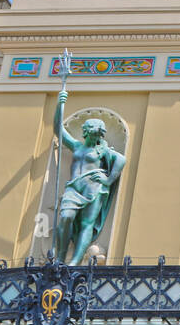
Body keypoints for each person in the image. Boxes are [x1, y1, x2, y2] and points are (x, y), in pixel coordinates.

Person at [53, 90, 126, 264]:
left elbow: (121, 159)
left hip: (94, 188)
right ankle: (61, 257)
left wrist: (108, 180)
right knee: (66, 217)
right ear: (86, 133)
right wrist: (59, 104)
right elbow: (58, 130)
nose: (95, 138)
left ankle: (74, 262)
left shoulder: (103, 151)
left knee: (87, 224)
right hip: (74, 187)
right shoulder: (77, 146)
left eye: (98, 135)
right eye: (93, 134)